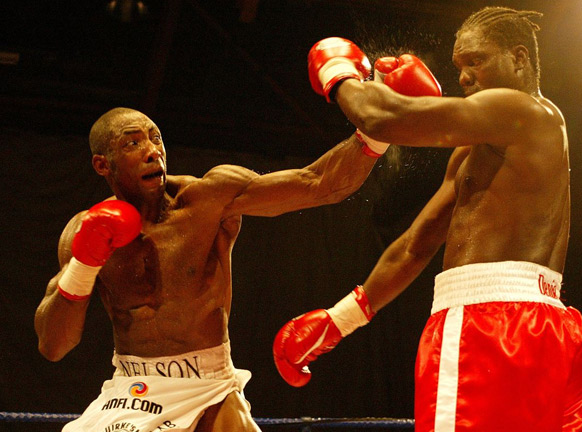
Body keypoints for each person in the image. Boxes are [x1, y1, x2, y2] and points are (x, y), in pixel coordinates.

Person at [273, 6, 582, 432]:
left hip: (488, 324)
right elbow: (415, 245)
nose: (463, 77)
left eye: (476, 61)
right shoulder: (482, 150)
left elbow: (382, 117)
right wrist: (341, 318)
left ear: (519, 58)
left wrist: (339, 74)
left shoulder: (522, 111)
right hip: (547, 327)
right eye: (459, 65)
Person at [34, 105, 386, 431]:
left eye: (155, 137)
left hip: (210, 383)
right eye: (132, 143)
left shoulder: (207, 199)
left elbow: (319, 183)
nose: (151, 150)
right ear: (102, 165)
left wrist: (377, 128)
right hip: (133, 387)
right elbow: (54, 346)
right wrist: (84, 264)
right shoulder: (83, 230)